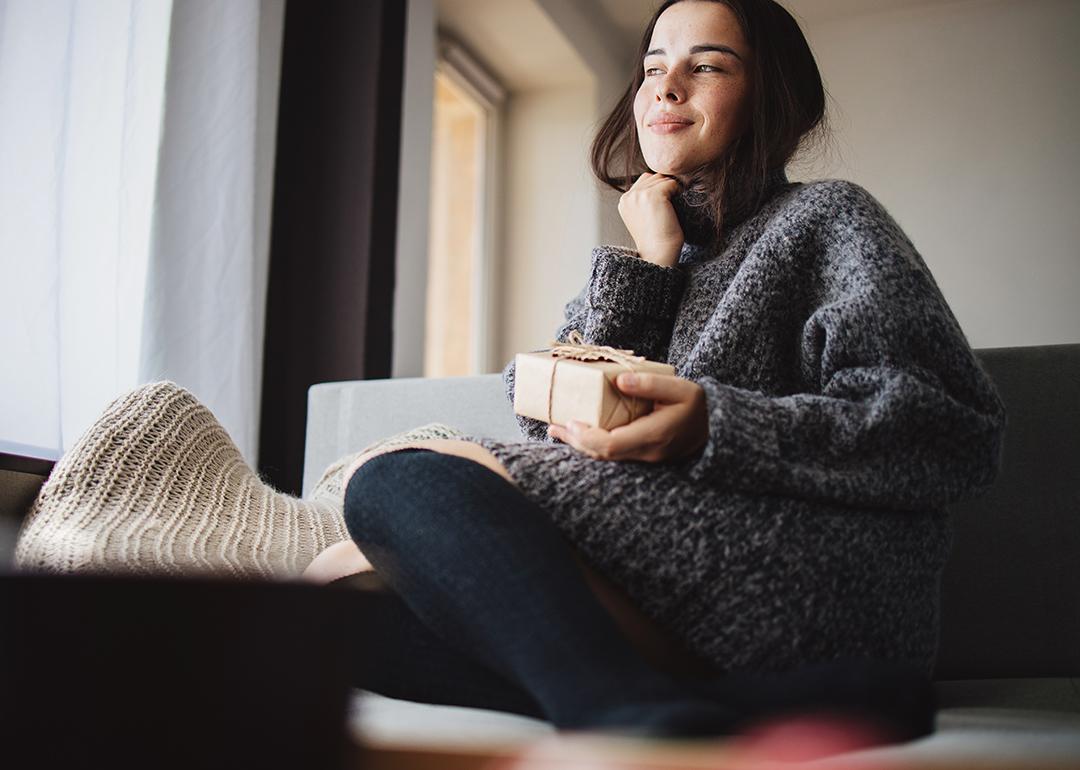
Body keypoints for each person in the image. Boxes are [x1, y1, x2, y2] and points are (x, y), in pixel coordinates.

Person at [308, 0, 1008, 740]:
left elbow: (952, 435)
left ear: (772, 97)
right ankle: (715, 705)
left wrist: (716, 426)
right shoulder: (655, 246)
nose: (666, 88)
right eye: (652, 69)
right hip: (671, 588)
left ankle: (609, 706)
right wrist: (651, 265)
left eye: (706, 66)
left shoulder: (830, 220)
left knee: (397, 479)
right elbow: (549, 424)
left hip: (805, 571)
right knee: (339, 625)